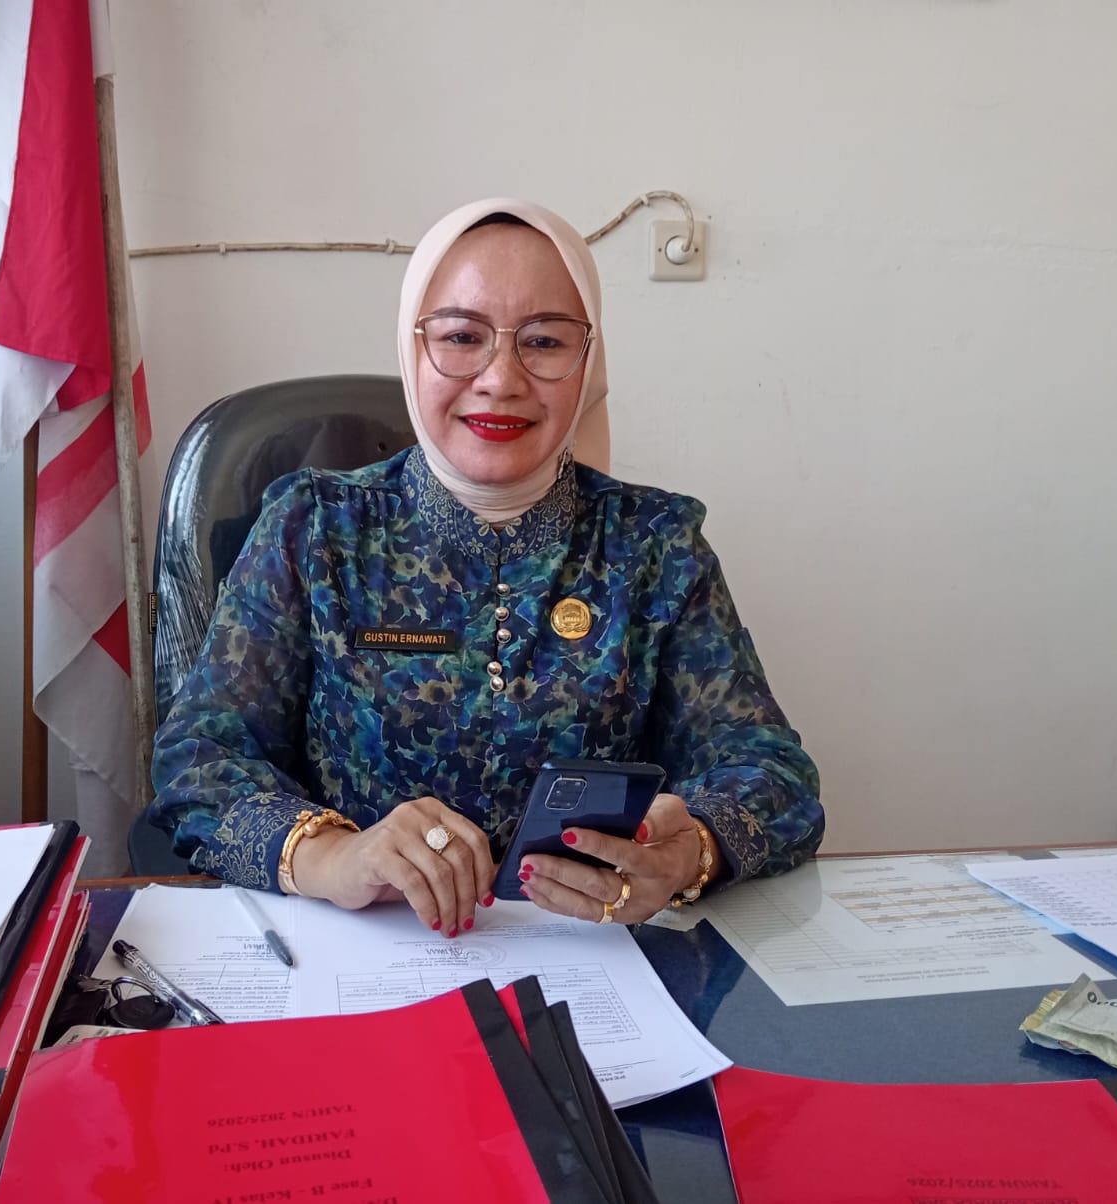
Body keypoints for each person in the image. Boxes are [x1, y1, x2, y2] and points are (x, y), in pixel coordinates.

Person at [149, 197, 822, 933]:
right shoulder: (314, 529)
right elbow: (197, 760)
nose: (501, 378)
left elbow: (774, 776)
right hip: (363, 951)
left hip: (595, 959)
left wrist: (691, 850)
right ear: (414, 350)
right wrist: (335, 857)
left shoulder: (655, 545)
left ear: (589, 362)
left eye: (544, 341)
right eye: (463, 336)